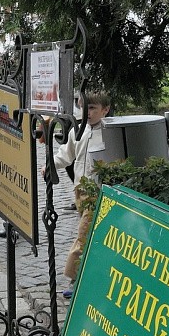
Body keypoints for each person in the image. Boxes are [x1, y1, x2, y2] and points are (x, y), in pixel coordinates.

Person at [57, 90, 111, 284]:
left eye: (93, 108)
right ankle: (93, 272)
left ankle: (74, 277)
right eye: (84, 107)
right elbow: (66, 154)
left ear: (105, 110)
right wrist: (50, 165)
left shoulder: (108, 132)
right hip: (80, 190)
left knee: (84, 233)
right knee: (90, 232)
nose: (87, 112)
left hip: (97, 192)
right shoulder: (77, 131)